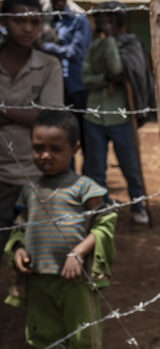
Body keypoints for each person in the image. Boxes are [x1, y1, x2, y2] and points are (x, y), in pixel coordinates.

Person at [4, 110, 117, 348]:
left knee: (82, 338)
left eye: (55, 149)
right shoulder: (30, 190)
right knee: (43, 337)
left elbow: (104, 223)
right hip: (38, 280)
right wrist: (18, 249)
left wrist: (79, 252)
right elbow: (19, 227)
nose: (45, 155)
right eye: (38, 148)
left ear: (75, 149)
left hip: (75, 281)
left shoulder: (85, 187)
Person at [0, 0, 64, 250]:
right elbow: (39, 116)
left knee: (33, 252)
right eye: (20, 21)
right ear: (3, 21)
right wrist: (27, 114)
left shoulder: (49, 65)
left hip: (37, 172)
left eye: (35, 22)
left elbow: (51, 119)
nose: (28, 28)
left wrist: (3, 112)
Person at [80, 1, 148, 226]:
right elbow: (87, 79)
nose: (102, 24)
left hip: (120, 116)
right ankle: (101, 206)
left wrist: (109, 42)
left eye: (108, 20)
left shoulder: (130, 44)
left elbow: (120, 70)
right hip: (94, 116)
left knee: (130, 166)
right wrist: (104, 79)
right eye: (100, 20)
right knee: (95, 167)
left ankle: (139, 206)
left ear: (119, 22)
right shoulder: (94, 47)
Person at [40, 0, 92, 139]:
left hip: (75, 85)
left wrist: (42, 46)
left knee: (81, 133)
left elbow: (75, 52)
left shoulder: (78, 19)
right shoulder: (41, 18)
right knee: (57, 133)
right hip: (48, 85)